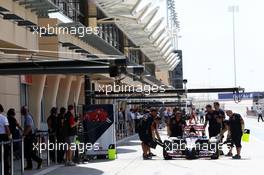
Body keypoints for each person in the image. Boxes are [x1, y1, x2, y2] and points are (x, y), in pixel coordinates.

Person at [21, 106, 42, 170]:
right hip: (29, 137)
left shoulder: (28, 117)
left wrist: (24, 134)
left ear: (25, 111)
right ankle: (29, 165)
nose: (21, 111)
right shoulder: (27, 117)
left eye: (22, 110)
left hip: (30, 137)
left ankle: (39, 160)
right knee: (27, 152)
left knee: (30, 152)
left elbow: (29, 127)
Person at [0, 104, 11, 175]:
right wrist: (9, 136)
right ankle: (6, 172)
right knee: (5, 155)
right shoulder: (3, 118)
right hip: (3, 137)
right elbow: (7, 129)